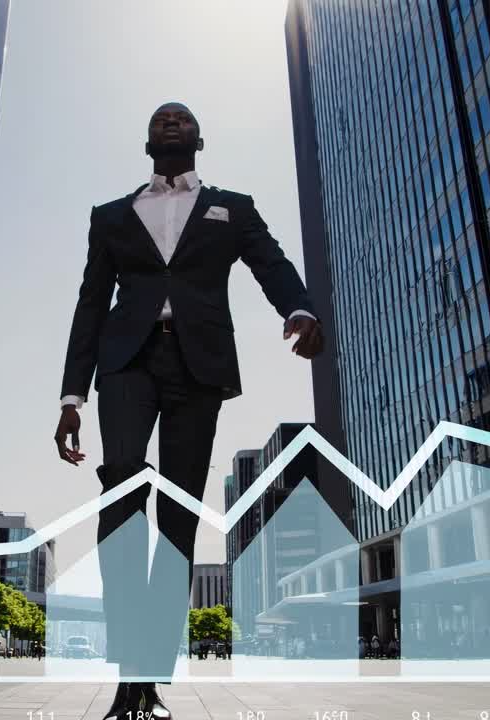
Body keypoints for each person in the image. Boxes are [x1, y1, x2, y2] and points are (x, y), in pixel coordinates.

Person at [55, 102, 323, 720]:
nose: (170, 121)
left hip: (198, 369)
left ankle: (149, 680)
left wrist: (299, 309)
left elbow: (271, 265)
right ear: (147, 139)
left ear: (199, 139)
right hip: (125, 365)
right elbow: (90, 305)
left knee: (177, 518)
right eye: (159, 118)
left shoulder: (234, 207)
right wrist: (73, 397)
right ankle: (126, 677)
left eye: (181, 118)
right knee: (121, 492)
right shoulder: (112, 216)